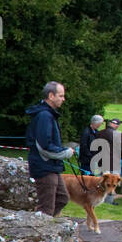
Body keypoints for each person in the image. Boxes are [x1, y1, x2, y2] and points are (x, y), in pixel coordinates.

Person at [24, 80, 74, 216]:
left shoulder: (49, 115)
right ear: (51, 96)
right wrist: (65, 153)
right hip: (44, 166)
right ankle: (41, 231)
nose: (63, 99)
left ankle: (47, 225)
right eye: (61, 96)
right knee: (46, 207)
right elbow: (44, 146)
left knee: (62, 198)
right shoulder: (44, 116)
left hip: (52, 166)